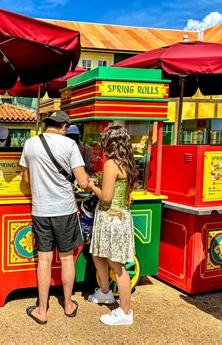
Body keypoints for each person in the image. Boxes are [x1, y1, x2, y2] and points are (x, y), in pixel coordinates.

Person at [19, 111, 90, 325]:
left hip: (41, 210)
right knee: (67, 258)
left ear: (47, 124)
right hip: (65, 210)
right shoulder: (69, 145)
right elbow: (83, 181)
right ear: (64, 126)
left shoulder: (30, 144)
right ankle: (68, 305)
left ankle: (42, 310)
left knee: (44, 259)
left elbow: (25, 177)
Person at [87, 126, 139, 326]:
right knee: (98, 253)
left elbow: (107, 197)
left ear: (110, 143)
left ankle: (125, 312)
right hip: (118, 217)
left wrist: (92, 186)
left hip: (111, 217)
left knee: (118, 266)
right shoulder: (127, 163)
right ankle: (106, 293)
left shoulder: (111, 164)